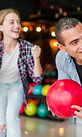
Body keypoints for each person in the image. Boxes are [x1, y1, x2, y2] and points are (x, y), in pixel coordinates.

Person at [0, 8, 43, 137]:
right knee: (1, 123)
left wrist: (36, 58)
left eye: (18, 22)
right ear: (1, 27)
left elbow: (37, 78)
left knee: (12, 118)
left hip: (16, 86)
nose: (17, 26)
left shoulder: (26, 47)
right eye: (12, 22)